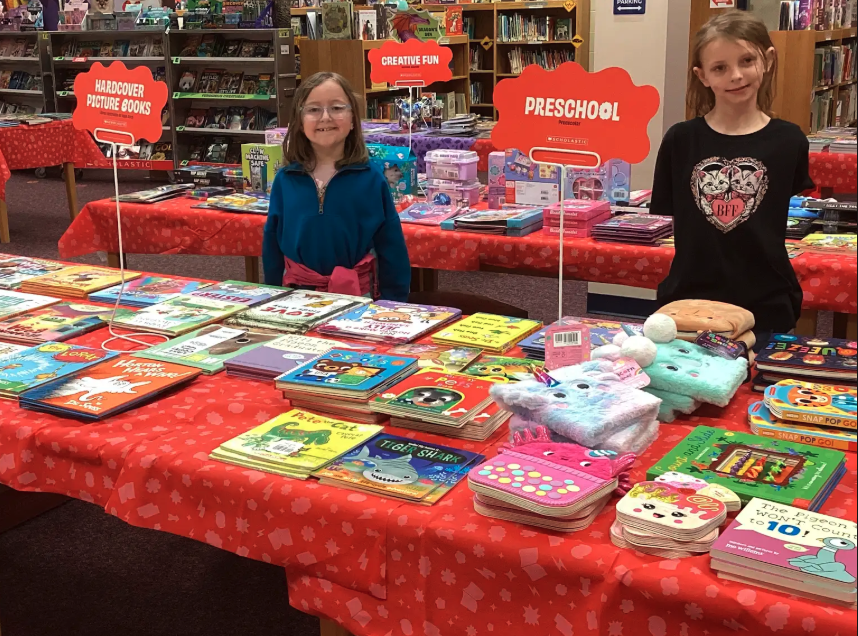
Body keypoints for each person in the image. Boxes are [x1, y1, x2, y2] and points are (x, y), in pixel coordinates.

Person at [652, 10, 813, 350]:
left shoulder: (790, 141)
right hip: (689, 300)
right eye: (720, 67)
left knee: (755, 397)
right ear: (703, 75)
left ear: (767, 60)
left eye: (746, 60)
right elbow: (669, 213)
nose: (736, 76)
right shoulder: (681, 140)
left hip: (766, 301)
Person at [262, 72, 411, 301]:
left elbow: (392, 249)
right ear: (300, 122)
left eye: (337, 108)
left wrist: (393, 303)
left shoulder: (371, 179)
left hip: (357, 297)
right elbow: (272, 247)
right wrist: (271, 296)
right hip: (295, 297)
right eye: (313, 109)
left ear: (352, 119)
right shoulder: (285, 179)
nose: (325, 117)